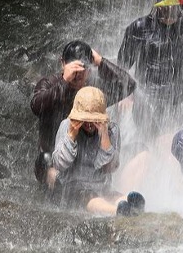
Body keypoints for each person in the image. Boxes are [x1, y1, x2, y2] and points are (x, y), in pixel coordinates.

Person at [31, 40, 136, 192]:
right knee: (45, 159)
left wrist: (100, 62)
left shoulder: (93, 91)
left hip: (87, 159)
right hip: (56, 157)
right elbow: (36, 106)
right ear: (63, 64)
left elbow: (129, 85)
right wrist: (63, 82)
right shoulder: (50, 83)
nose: (78, 74)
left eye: (83, 68)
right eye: (73, 68)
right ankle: (57, 191)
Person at [117, 0, 183, 139]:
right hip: (147, 97)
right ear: (158, 8)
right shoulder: (139, 27)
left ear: (181, 9)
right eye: (164, 10)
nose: (168, 15)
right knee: (149, 140)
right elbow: (122, 65)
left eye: (173, 10)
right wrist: (126, 95)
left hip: (178, 98)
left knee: (182, 139)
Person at [52, 86, 145, 215]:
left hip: (101, 186)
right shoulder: (66, 126)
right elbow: (59, 164)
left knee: (112, 195)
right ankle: (116, 211)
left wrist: (105, 138)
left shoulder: (112, 130)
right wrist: (71, 136)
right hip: (72, 187)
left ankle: (132, 206)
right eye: (85, 119)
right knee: (90, 196)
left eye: (94, 120)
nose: (89, 124)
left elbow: (111, 168)